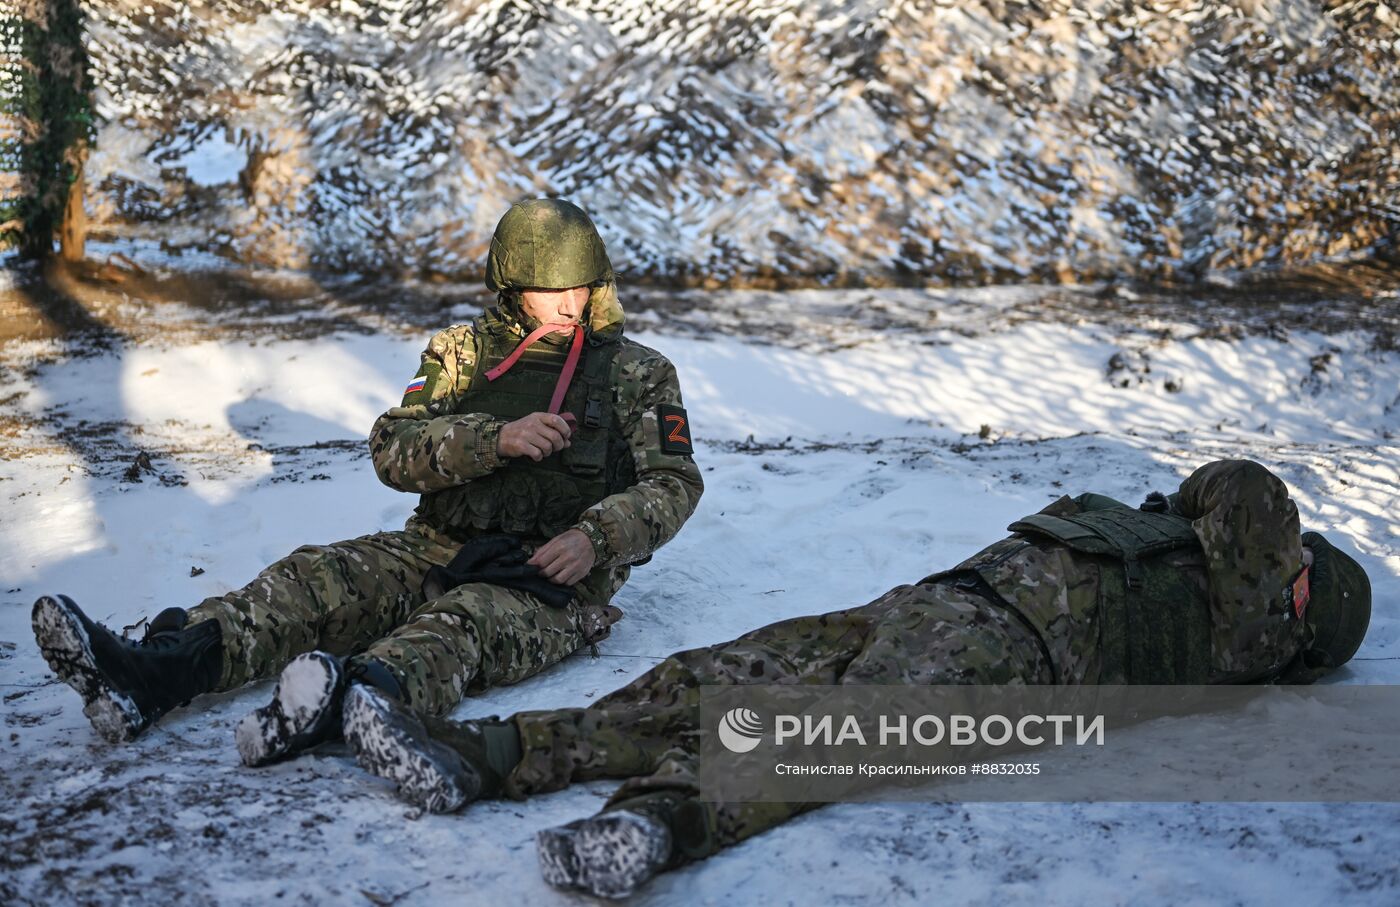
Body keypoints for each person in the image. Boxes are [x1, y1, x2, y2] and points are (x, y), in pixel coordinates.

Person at [339, 459, 1371, 898]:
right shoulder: (1218, 584)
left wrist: (1234, 538)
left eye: (1299, 568)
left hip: (1000, 663)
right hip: (939, 605)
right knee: (707, 674)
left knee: (808, 733)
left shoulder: (1251, 621)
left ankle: (653, 824)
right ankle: (488, 753)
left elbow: (1234, 487)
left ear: (1300, 600)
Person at [31, 199, 705, 767]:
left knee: (458, 625)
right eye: (546, 288)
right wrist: (493, 439)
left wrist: (594, 537)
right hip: (436, 545)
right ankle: (154, 672)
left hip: (548, 581)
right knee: (309, 581)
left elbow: (673, 482)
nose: (565, 303)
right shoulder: (459, 353)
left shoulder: (636, 374)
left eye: (578, 287)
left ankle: (342, 703)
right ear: (509, 286)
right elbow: (393, 448)